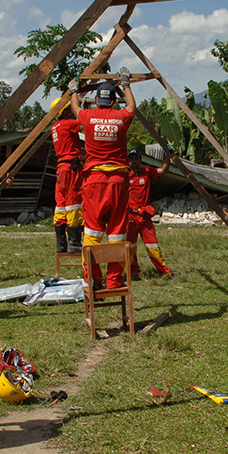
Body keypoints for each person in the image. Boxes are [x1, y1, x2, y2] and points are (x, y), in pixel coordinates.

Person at [69, 68, 137, 289]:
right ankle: (114, 280)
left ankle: (94, 278)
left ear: (97, 100)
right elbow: (131, 107)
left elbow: (75, 107)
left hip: (94, 181)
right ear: (114, 101)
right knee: (117, 232)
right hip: (118, 181)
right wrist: (126, 83)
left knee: (92, 231)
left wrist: (73, 90)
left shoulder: (88, 116)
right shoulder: (120, 117)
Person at [126, 148, 174, 278]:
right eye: (132, 159)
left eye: (137, 159)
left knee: (153, 244)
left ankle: (164, 271)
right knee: (130, 246)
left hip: (145, 215)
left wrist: (168, 157)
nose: (134, 161)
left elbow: (163, 171)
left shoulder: (147, 172)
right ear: (128, 161)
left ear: (141, 161)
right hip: (130, 216)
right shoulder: (124, 175)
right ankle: (133, 272)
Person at [51, 95, 85, 254]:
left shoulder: (55, 127)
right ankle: (75, 244)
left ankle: (61, 244)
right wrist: (80, 108)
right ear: (65, 111)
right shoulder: (67, 124)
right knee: (73, 203)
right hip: (71, 168)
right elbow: (85, 124)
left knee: (61, 204)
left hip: (61, 168)